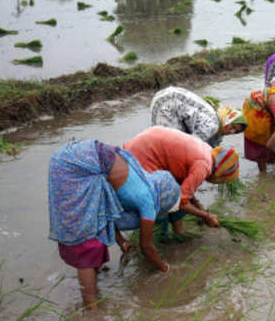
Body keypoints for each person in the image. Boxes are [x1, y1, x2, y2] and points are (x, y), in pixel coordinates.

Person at [48, 140, 181, 309]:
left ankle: (92, 287)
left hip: (70, 157)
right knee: (87, 244)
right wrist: (165, 269)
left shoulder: (143, 180)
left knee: (95, 226)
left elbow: (107, 211)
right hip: (75, 165)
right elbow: (146, 246)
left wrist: (122, 242)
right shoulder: (147, 202)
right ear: (164, 200)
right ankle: (91, 308)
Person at [123, 127, 240, 236]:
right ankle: (161, 238)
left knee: (175, 193)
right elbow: (180, 202)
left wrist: (199, 206)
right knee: (158, 202)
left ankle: (179, 235)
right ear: (221, 171)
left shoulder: (209, 151)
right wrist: (206, 216)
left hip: (148, 139)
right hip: (142, 153)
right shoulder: (204, 166)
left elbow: (184, 189)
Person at [150, 87, 246, 147]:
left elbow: (210, 144)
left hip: (168, 96)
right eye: (233, 126)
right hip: (168, 103)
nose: (232, 132)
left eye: (236, 132)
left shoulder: (218, 116)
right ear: (228, 119)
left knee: (169, 142)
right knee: (169, 145)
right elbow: (192, 144)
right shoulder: (212, 125)